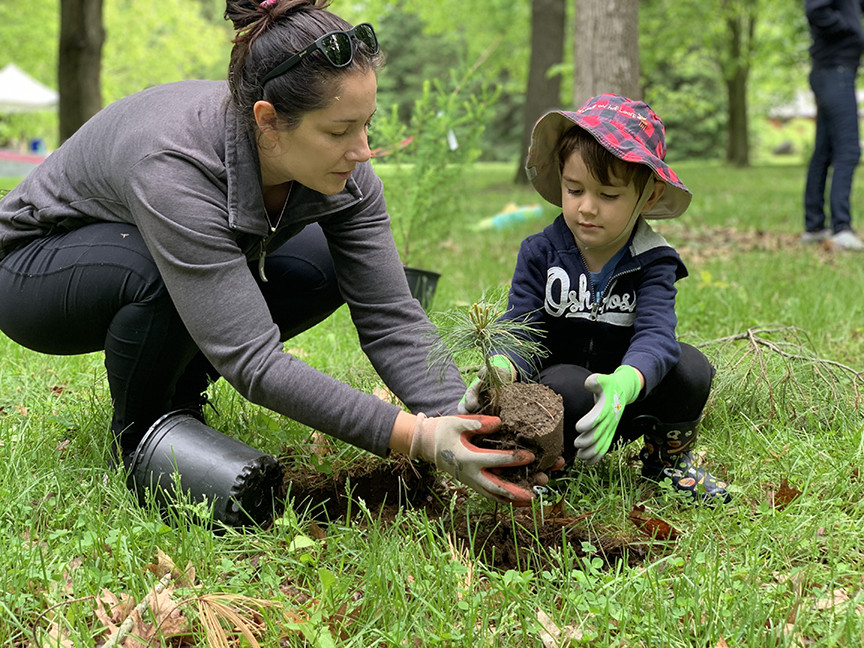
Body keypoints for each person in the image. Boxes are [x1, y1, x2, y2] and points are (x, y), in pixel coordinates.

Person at [0, 0, 549, 511]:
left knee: (326, 263)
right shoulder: (173, 167)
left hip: (142, 246)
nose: (362, 151)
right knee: (151, 272)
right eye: (339, 131)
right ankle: (146, 435)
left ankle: (179, 384)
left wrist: (467, 422)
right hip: (34, 267)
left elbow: (390, 317)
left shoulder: (348, 174)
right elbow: (253, 361)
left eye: (366, 125)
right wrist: (418, 438)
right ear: (267, 120)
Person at [461, 95, 730, 503]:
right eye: (574, 189)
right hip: (561, 401)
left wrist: (623, 383)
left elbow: (656, 336)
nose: (587, 208)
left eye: (608, 195)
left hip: (627, 400)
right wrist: (500, 366)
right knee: (566, 383)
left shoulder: (654, 261)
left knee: (689, 365)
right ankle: (549, 465)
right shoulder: (541, 252)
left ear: (649, 197)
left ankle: (667, 462)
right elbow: (522, 327)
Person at [802, 0, 864, 251]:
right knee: (849, 149)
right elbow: (816, 9)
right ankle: (842, 228)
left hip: (835, 71)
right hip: (834, 71)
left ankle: (815, 226)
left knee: (824, 152)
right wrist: (850, 28)